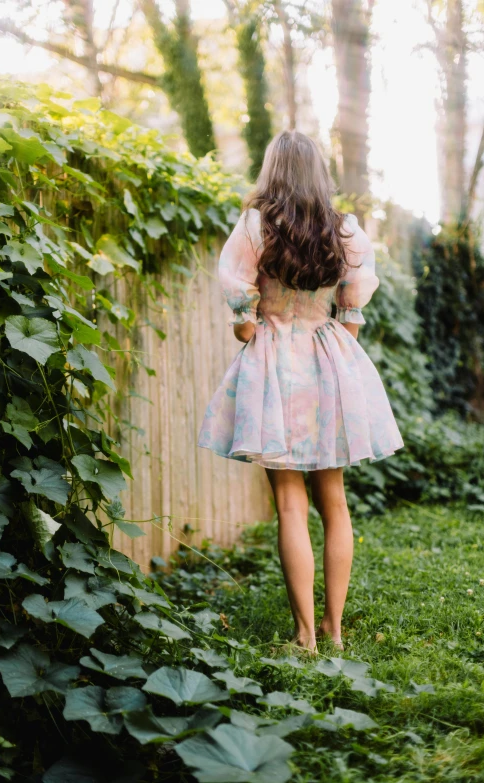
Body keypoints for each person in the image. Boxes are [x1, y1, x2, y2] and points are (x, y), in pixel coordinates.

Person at [198, 130, 404, 654]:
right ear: (319, 173)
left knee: (290, 503)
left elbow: (241, 312)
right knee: (333, 501)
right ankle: (336, 630)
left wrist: (254, 327)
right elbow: (352, 314)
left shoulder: (255, 226)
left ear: (272, 171)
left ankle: (305, 636)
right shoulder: (345, 231)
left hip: (273, 367)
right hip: (329, 358)